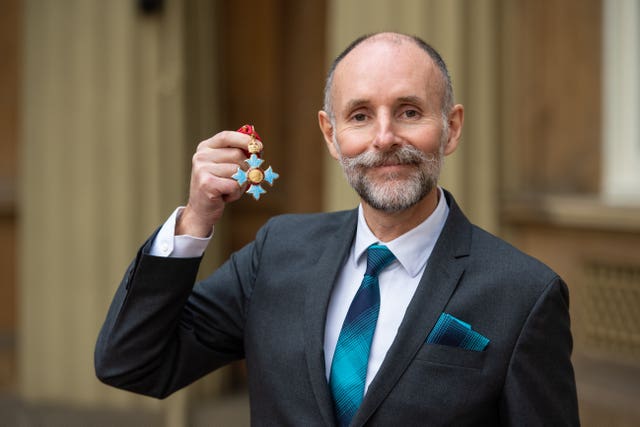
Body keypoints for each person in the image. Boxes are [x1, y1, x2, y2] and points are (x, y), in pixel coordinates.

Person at [95, 32, 579, 426]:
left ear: (450, 128)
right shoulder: (277, 253)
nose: (385, 137)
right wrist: (194, 219)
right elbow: (133, 362)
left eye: (409, 111)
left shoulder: (525, 294)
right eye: (360, 116)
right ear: (332, 135)